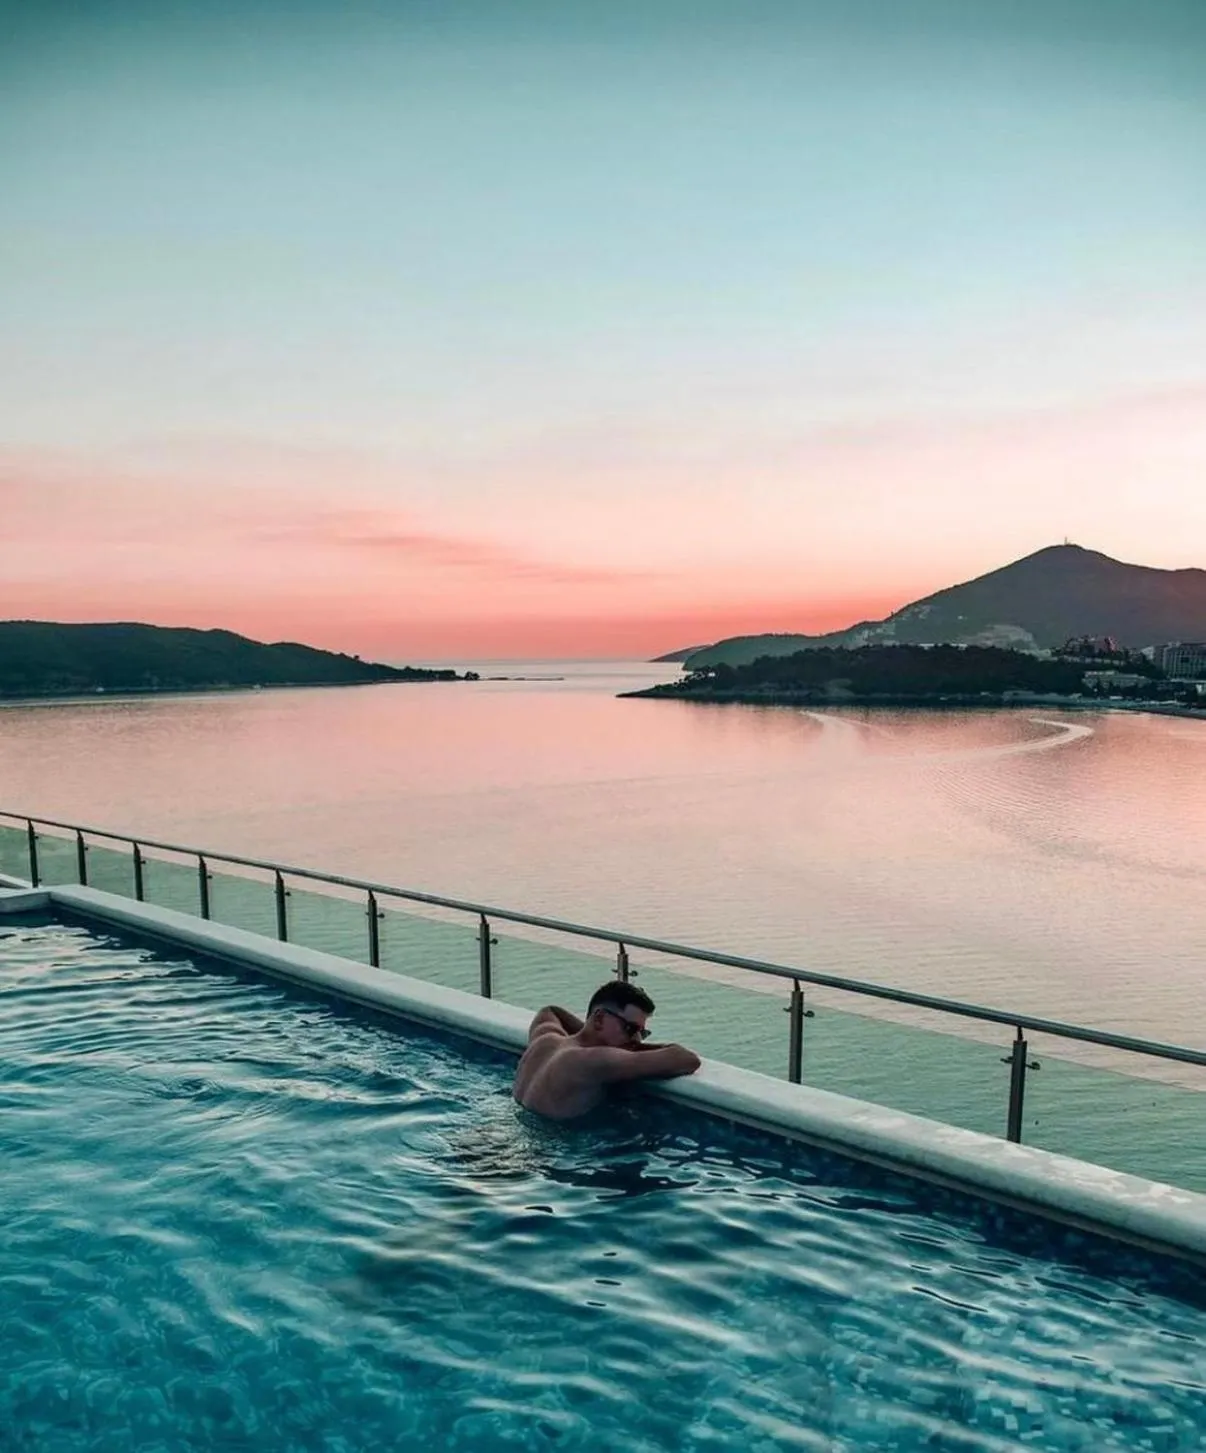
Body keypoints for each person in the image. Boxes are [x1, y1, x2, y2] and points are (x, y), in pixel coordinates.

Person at [512, 981, 701, 1120]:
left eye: (642, 1032)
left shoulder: (545, 1038)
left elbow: (551, 1010)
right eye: (630, 1029)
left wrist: (590, 1032)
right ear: (600, 1019)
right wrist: (636, 1048)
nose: (635, 1039)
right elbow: (686, 1059)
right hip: (553, 1157)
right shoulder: (592, 1060)